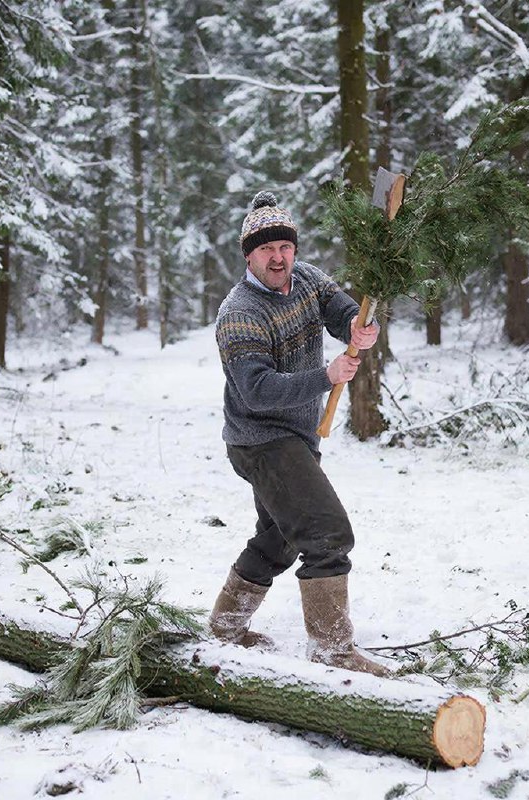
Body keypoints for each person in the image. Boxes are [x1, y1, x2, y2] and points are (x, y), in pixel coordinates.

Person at [208, 191, 390, 678]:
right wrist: (325, 377)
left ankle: (225, 629)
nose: (278, 257)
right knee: (326, 533)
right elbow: (256, 391)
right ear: (249, 255)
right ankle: (333, 651)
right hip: (260, 439)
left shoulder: (303, 276)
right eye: (266, 249)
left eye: (284, 247)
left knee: (278, 539)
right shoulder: (239, 312)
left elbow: (337, 305)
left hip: (297, 435)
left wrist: (356, 322)